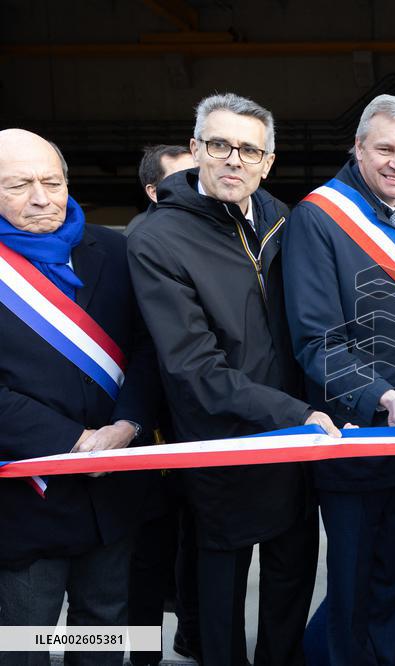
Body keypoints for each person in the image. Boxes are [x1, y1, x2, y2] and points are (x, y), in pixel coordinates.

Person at [128, 93, 339, 666]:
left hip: (294, 441)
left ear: (267, 162)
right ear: (196, 150)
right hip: (220, 440)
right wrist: (294, 413)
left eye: (249, 149)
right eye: (219, 145)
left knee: (293, 569)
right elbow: (191, 366)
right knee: (220, 582)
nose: (233, 159)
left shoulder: (281, 219)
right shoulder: (156, 239)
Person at [283, 94, 395, 666]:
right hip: (353, 433)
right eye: (386, 149)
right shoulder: (317, 218)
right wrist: (384, 396)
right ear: (357, 148)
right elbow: (316, 340)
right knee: (351, 585)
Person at [0, 129, 158, 665]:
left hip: (110, 492)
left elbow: (145, 350)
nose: (42, 198)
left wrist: (127, 427)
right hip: (27, 500)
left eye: (53, 181)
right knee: (25, 639)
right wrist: (73, 441)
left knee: (104, 631)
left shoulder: (113, 250)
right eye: (19, 185)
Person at [124, 144, 201, 665]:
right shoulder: (136, 247)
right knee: (147, 552)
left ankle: (191, 638)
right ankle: (143, 650)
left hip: (196, 426)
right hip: (148, 430)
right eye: (179, 183)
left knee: (196, 542)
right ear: (154, 192)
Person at [124, 144, 196, 235]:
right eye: (181, 179)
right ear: (154, 192)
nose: (197, 183)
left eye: (197, 175)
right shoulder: (145, 234)